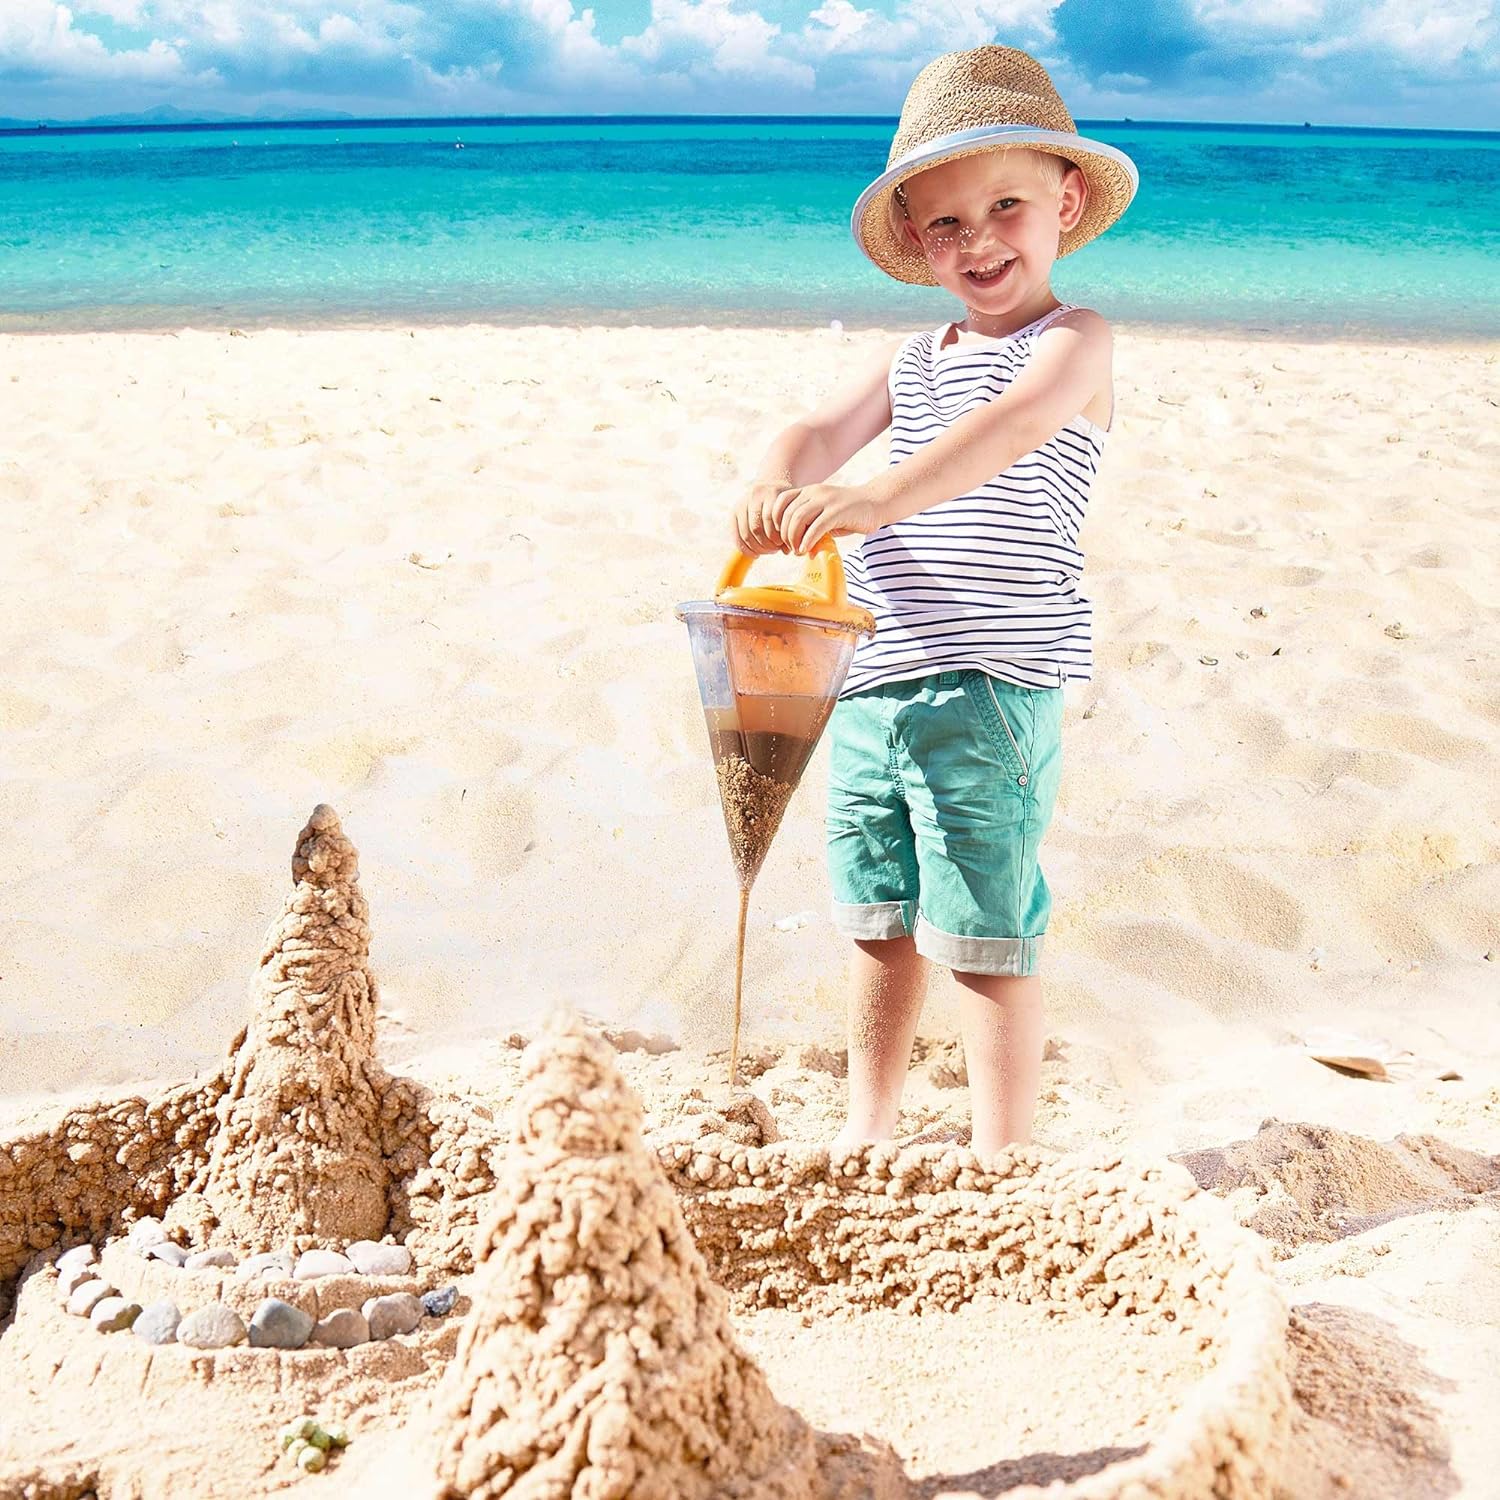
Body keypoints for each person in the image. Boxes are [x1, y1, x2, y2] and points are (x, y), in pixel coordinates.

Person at [728, 46, 1138, 1153]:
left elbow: (1002, 434)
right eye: (947, 223)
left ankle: (1002, 1155)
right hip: (869, 682)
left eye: (1005, 206)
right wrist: (776, 476)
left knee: (984, 923)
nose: (980, 240)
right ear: (916, 241)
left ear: (1063, 202)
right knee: (878, 918)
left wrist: (876, 496)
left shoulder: (1075, 342)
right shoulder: (914, 356)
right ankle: (871, 1130)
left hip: (990, 685)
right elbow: (814, 432)